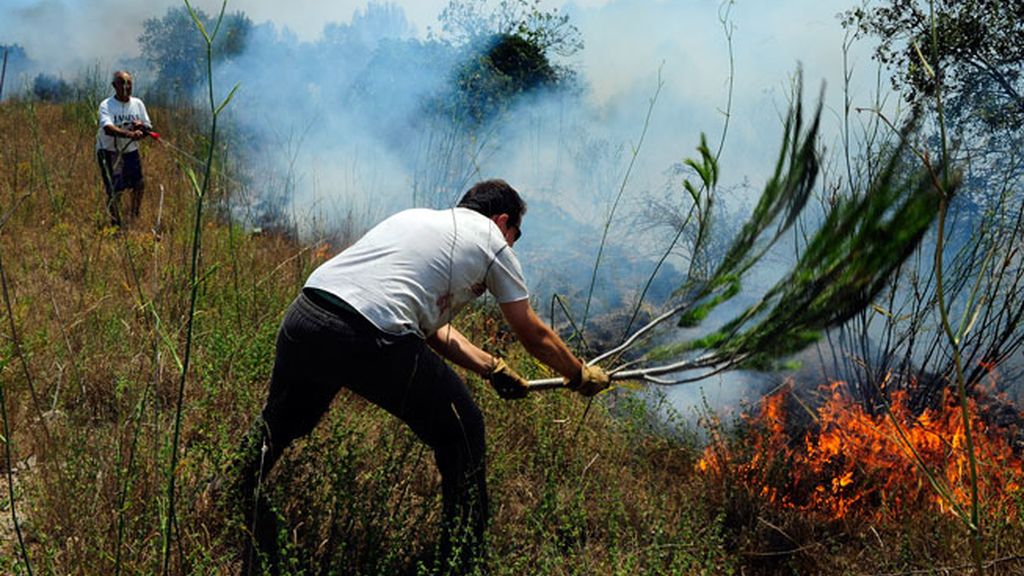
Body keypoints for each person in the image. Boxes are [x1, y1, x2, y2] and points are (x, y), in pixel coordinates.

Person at [230, 179, 610, 575]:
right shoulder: (493, 242)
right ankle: (462, 560)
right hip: (368, 334)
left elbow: (429, 328)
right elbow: (530, 331)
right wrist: (579, 373)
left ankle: (229, 490)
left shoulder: (417, 219)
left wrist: (490, 366)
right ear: (502, 221)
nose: (514, 243)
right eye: (517, 234)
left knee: (285, 418)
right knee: (462, 430)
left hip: (308, 315)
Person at [96, 70, 152, 226]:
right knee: (116, 189)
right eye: (122, 83)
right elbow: (108, 128)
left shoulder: (138, 104)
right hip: (109, 152)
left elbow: (147, 128)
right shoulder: (106, 105)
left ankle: (134, 215)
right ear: (114, 86)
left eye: (129, 83)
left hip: (130, 151)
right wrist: (130, 134)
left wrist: (142, 127)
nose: (126, 87)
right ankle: (115, 223)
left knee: (139, 184)